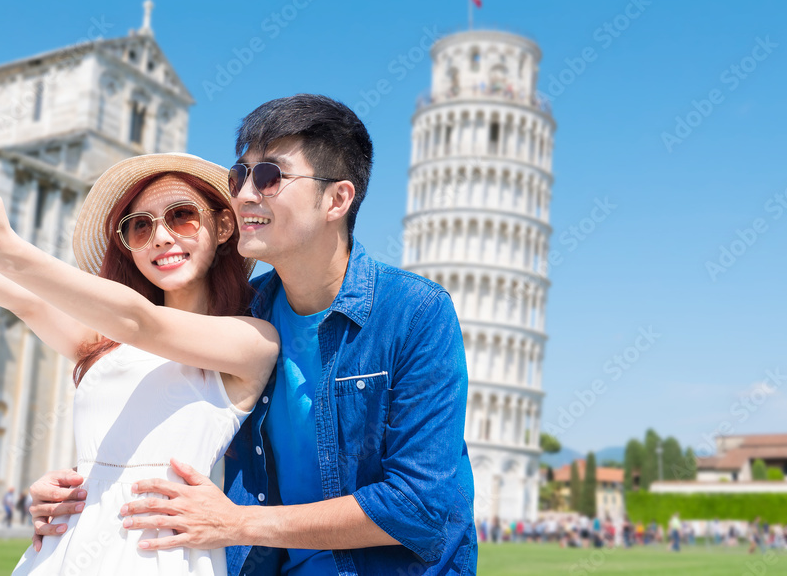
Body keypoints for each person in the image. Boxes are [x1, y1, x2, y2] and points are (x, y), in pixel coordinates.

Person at [26, 95, 476, 573]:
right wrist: (82, 489)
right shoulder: (239, 316)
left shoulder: (413, 312)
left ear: (337, 199)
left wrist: (241, 523)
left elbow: (420, 506)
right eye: (240, 176)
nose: (242, 195)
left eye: (269, 177)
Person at [0, 147, 278, 574]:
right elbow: (25, 300)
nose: (162, 237)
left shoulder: (251, 340)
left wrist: (7, 248)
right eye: (140, 227)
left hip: (156, 554)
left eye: (182, 216)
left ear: (224, 226)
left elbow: (141, 320)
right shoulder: (105, 344)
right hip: (64, 551)